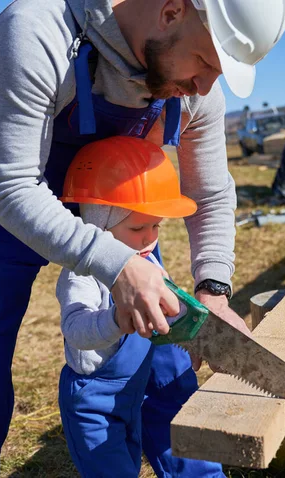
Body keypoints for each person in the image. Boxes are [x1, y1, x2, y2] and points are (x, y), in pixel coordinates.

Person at [0, 0, 285, 475]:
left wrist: (215, 292)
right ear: (171, 12)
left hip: (118, 204)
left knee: (164, 354)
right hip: (0, 195)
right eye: (205, 62)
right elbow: (15, 188)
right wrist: (118, 266)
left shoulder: (197, 88)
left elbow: (208, 193)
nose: (206, 87)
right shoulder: (38, 32)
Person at [56, 136, 222, 477]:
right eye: (137, 227)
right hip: (94, 404)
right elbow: (75, 329)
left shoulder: (145, 259)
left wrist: (189, 333)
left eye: (156, 226)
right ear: (98, 225)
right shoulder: (80, 275)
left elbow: (166, 304)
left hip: (133, 388)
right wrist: (117, 319)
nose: (149, 238)